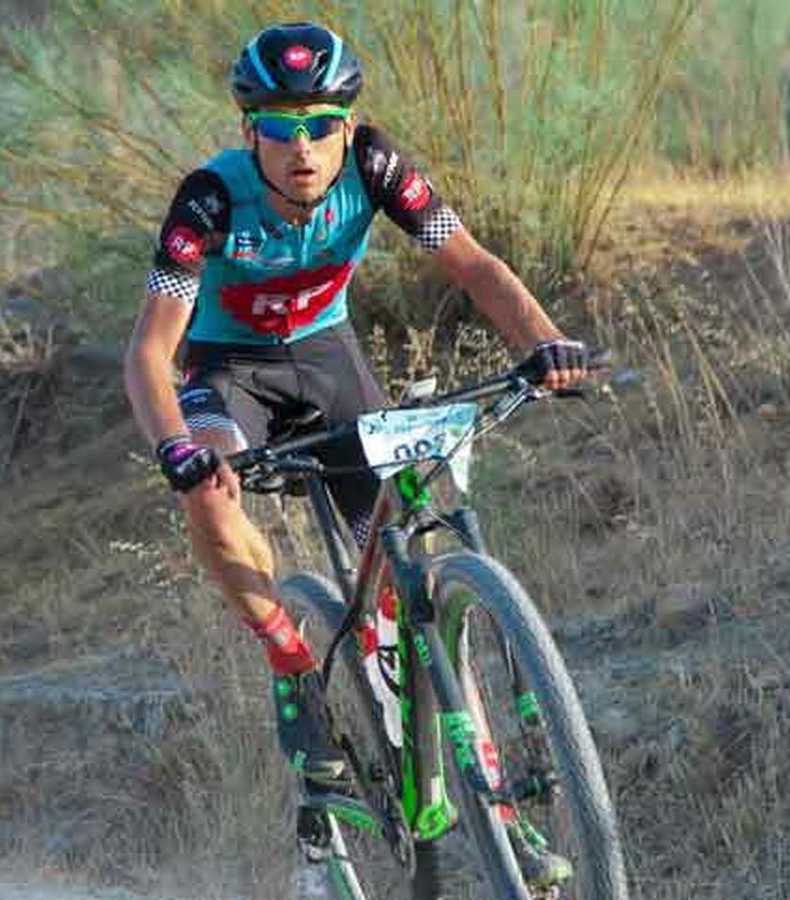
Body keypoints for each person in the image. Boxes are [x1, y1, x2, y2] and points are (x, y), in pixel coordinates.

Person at [122, 21, 587, 887]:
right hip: (232, 374)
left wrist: (547, 343)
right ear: (249, 130)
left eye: (321, 123)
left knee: (411, 555)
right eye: (282, 125)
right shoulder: (208, 202)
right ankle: (290, 657)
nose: (304, 146)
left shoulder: (377, 167)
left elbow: (476, 265)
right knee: (211, 498)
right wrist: (178, 449)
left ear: (347, 125)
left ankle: (496, 804)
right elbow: (151, 350)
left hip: (331, 357)